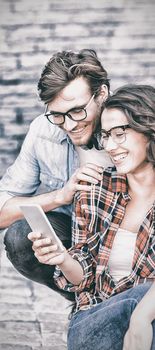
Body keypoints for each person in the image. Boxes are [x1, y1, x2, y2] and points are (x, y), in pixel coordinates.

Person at [28, 84, 155, 350]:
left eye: (120, 133)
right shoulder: (96, 188)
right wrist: (62, 259)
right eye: (106, 135)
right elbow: (83, 278)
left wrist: (142, 318)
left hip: (148, 326)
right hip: (95, 322)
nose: (110, 145)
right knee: (142, 298)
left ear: (149, 130)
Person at [0, 49, 112, 298]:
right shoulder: (43, 130)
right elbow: (2, 212)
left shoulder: (132, 125)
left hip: (128, 239)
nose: (70, 124)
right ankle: (83, 299)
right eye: (58, 115)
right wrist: (60, 196)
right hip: (73, 235)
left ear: (102, 93)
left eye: (77, 111)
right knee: (20, 237)